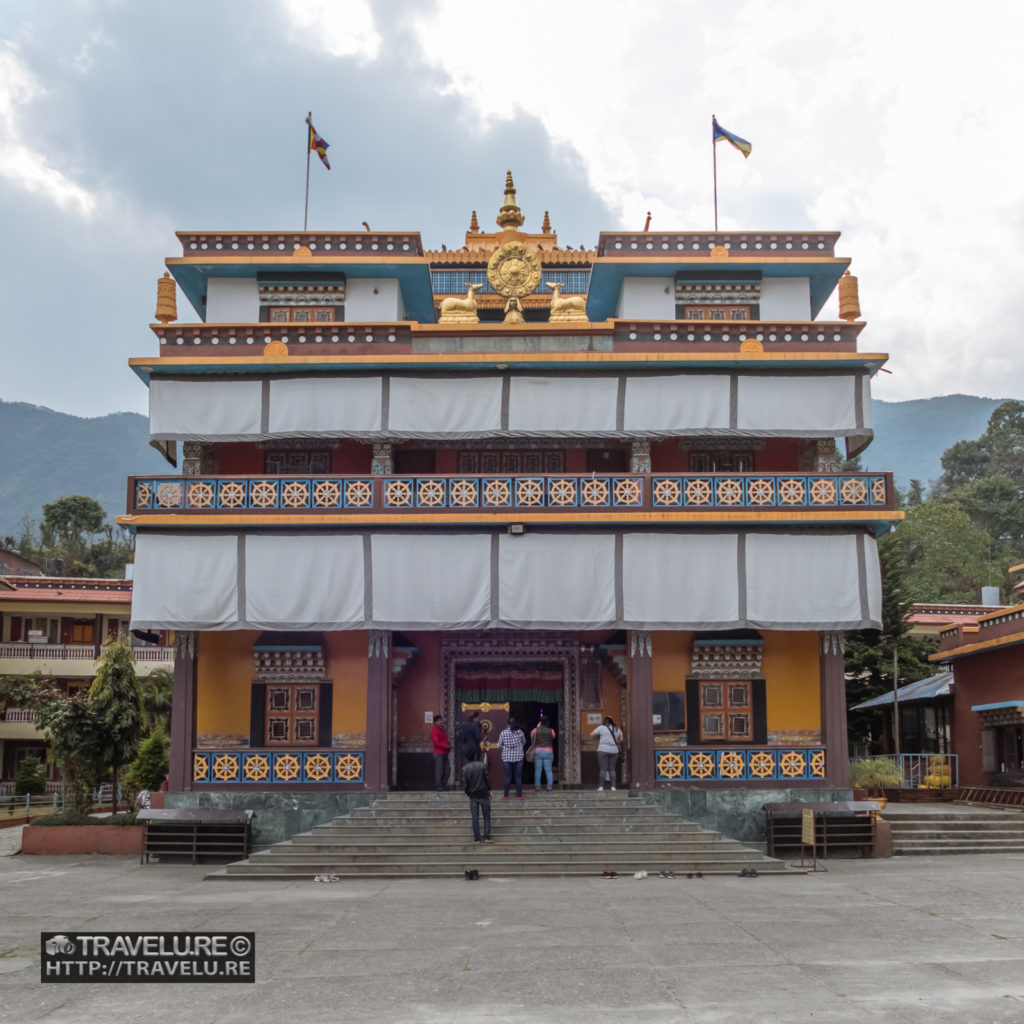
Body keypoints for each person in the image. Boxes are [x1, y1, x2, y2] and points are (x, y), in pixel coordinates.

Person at [461, 752, 493, 843]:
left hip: (473, 795)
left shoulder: (465, 768)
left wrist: (467, 792)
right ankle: (487, 837)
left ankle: (477, 838)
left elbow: (466, 784)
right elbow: (487, 779)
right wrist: (489, 790)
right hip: (483, 793)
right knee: (486, 816)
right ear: (475, 756)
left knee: (475, 817)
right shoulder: (482, 765)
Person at [497, 716, 526, 800]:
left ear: (507, 724)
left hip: (506, 757)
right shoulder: (520, 732)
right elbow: (524, 742)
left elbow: (499, 745)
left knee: (507, 777)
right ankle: (519, 795)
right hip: (519, 757)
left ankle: (505, 796)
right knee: (518, 777)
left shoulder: (503, 733)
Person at [592, 716, 624, 791]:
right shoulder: (617, 729)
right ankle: (613, 787)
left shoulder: (601, 727)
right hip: (614, 750)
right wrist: (615, 742)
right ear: (612, 721)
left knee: (603, 769)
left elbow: (592, 734)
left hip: (603, 749)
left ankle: (601, 787)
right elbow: (621, 739)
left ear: (604, 721)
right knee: (612, 769)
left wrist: (600, 736)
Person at [530, 714, 556, 792]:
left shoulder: (536, 730)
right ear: (547, 722)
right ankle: (549, 787)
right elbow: (553, 737)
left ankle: (537, 787)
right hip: (548, 751)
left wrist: (537, 727)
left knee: (538, 770)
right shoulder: (551, 730)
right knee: (548, 770)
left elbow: (531, 736)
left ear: (540, 722)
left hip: (538, 751)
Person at [430, 714, 451, 791]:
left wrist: (448, 745)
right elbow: (436, 742)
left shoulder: (441, 730)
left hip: (444, 752)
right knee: (440, 770)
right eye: (439, 720)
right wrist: (447, 746)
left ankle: (443, 785)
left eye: (441, 720)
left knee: (447, 770)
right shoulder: (435, 730)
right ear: (435, 722)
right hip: (438, 753)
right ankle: (439, 786)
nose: (441, 721)